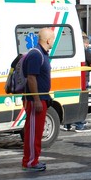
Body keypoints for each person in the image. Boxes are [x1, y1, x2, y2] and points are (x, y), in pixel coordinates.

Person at [21, 28, 54, 171]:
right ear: (48, 40)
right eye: (53, 38)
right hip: (37, 100)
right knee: (33, 133)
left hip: (40, 98)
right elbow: (31, 78)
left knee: (36, 132)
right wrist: (36, 100)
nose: (53, 41)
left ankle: (33, 159)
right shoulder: (36, 54)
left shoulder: (40, 53)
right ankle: (30, 162)